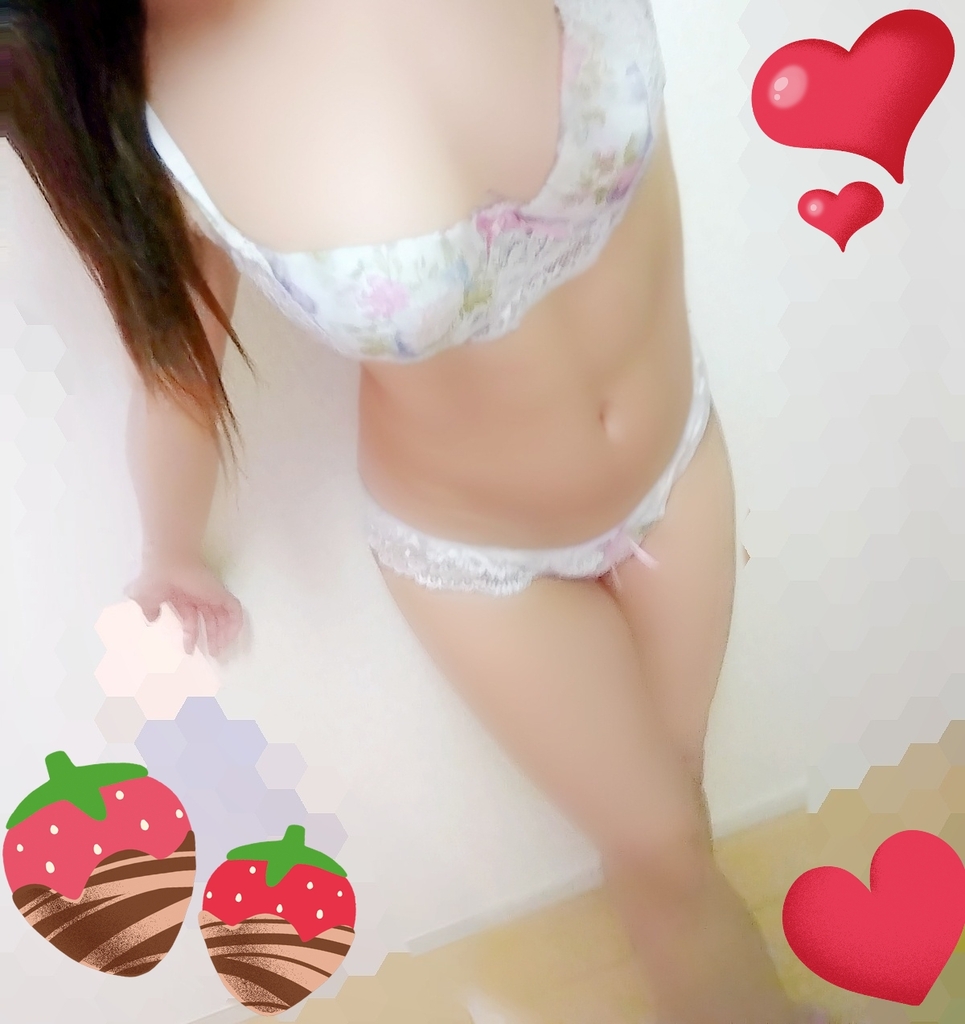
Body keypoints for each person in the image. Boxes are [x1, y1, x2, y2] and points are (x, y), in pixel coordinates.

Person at [12, 2, 837, 1022]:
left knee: (672, 817)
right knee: (663, 845)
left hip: (681, 460)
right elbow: (177, 375)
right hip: (482, 561)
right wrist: (168, 552)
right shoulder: (154, 101)